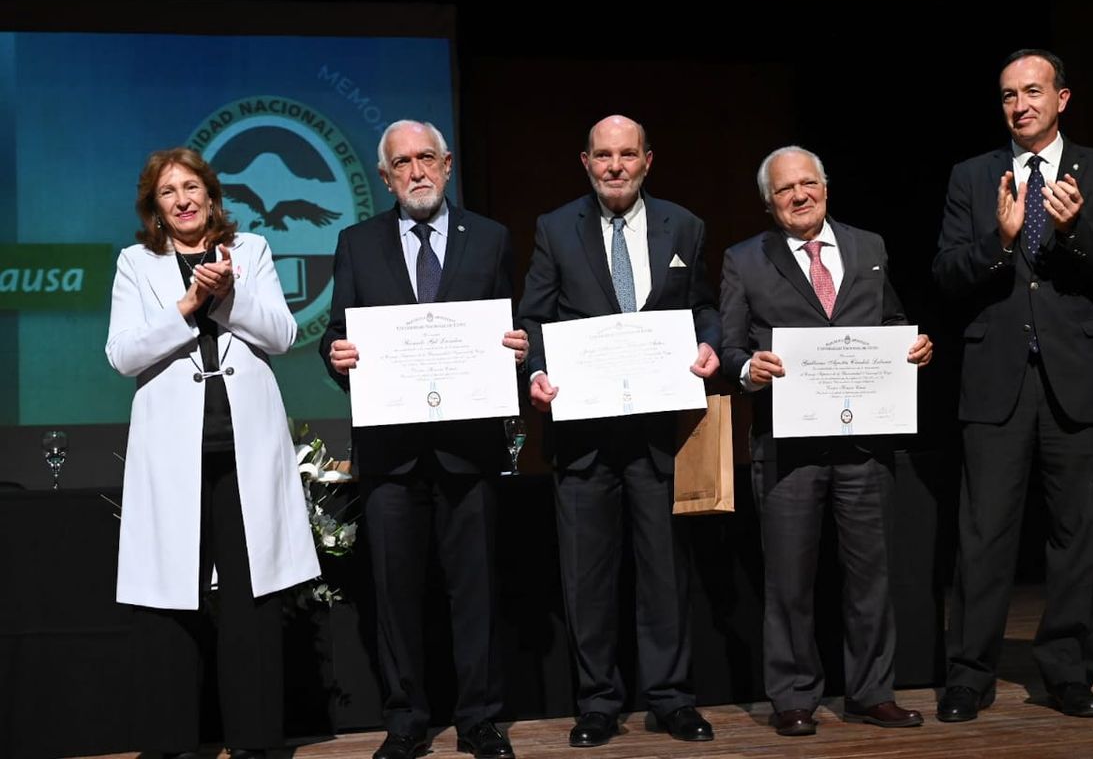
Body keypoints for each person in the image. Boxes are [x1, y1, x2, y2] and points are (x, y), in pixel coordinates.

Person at [933, 49, 1093, 722]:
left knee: (1077, 536)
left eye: (1032, 92)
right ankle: (968, 675)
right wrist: (1000, 239)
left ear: (1062, 98)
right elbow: (947, 273)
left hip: (1077, 377)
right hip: (996, 378)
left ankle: (1070, 672)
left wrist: (1074, 232)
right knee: (982, 534)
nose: (1020, 105)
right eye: (1007, 96)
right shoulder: (972, 176)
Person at [320, 120, 527, 759]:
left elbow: (512, 325)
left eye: (427, 159)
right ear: (385, 177)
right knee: (395, 593)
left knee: (476, 591)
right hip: (391, 449)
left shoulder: (490, 239)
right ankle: (406, 721)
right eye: (402, 163)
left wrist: (520, 347)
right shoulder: (357, 243)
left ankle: (480, 720)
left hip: (470, 447)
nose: (417, 171)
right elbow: (335, 334)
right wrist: (337, 355)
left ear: (447, 164)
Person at [106, 147, 321, 757]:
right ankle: (172, 740)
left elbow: (281, 335)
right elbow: (122, 355)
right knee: (171, 599)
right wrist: (187, 307)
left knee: (252, 600)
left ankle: (256, 741)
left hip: (243, 448)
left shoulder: (248, 252)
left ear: (211, 194)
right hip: (175, 452)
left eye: (192, 186)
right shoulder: (135, 263)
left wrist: (227, 296)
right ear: (155, 206)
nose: (183, 199)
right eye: (169, 191)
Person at [516, 114, 720, 748]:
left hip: (660, 429)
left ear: (647, 161)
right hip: (582, 433)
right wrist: (539, 370)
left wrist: (711, 344)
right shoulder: (555, 227)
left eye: (627, 155)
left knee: (664, 571)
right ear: (585, 162)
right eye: (603, 155)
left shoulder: (683, 225)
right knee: (588, 575)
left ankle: (671, 698)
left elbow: (705, 306)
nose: (615, 166)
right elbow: (535, 316)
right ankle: (598, 703)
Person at [719, 146, 932, 737]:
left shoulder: (869, 247)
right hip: (788, 447)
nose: (798, 196)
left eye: (807, 184)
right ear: (769, 202)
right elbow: (731, 345)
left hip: (865, 441)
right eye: (784, 190)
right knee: (788, 580)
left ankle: (873, 692)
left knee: (872, 576)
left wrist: (911, 347)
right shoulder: (745, 259)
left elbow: (890, 322)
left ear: (826, 188)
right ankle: (792, 696)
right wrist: (745, 368)